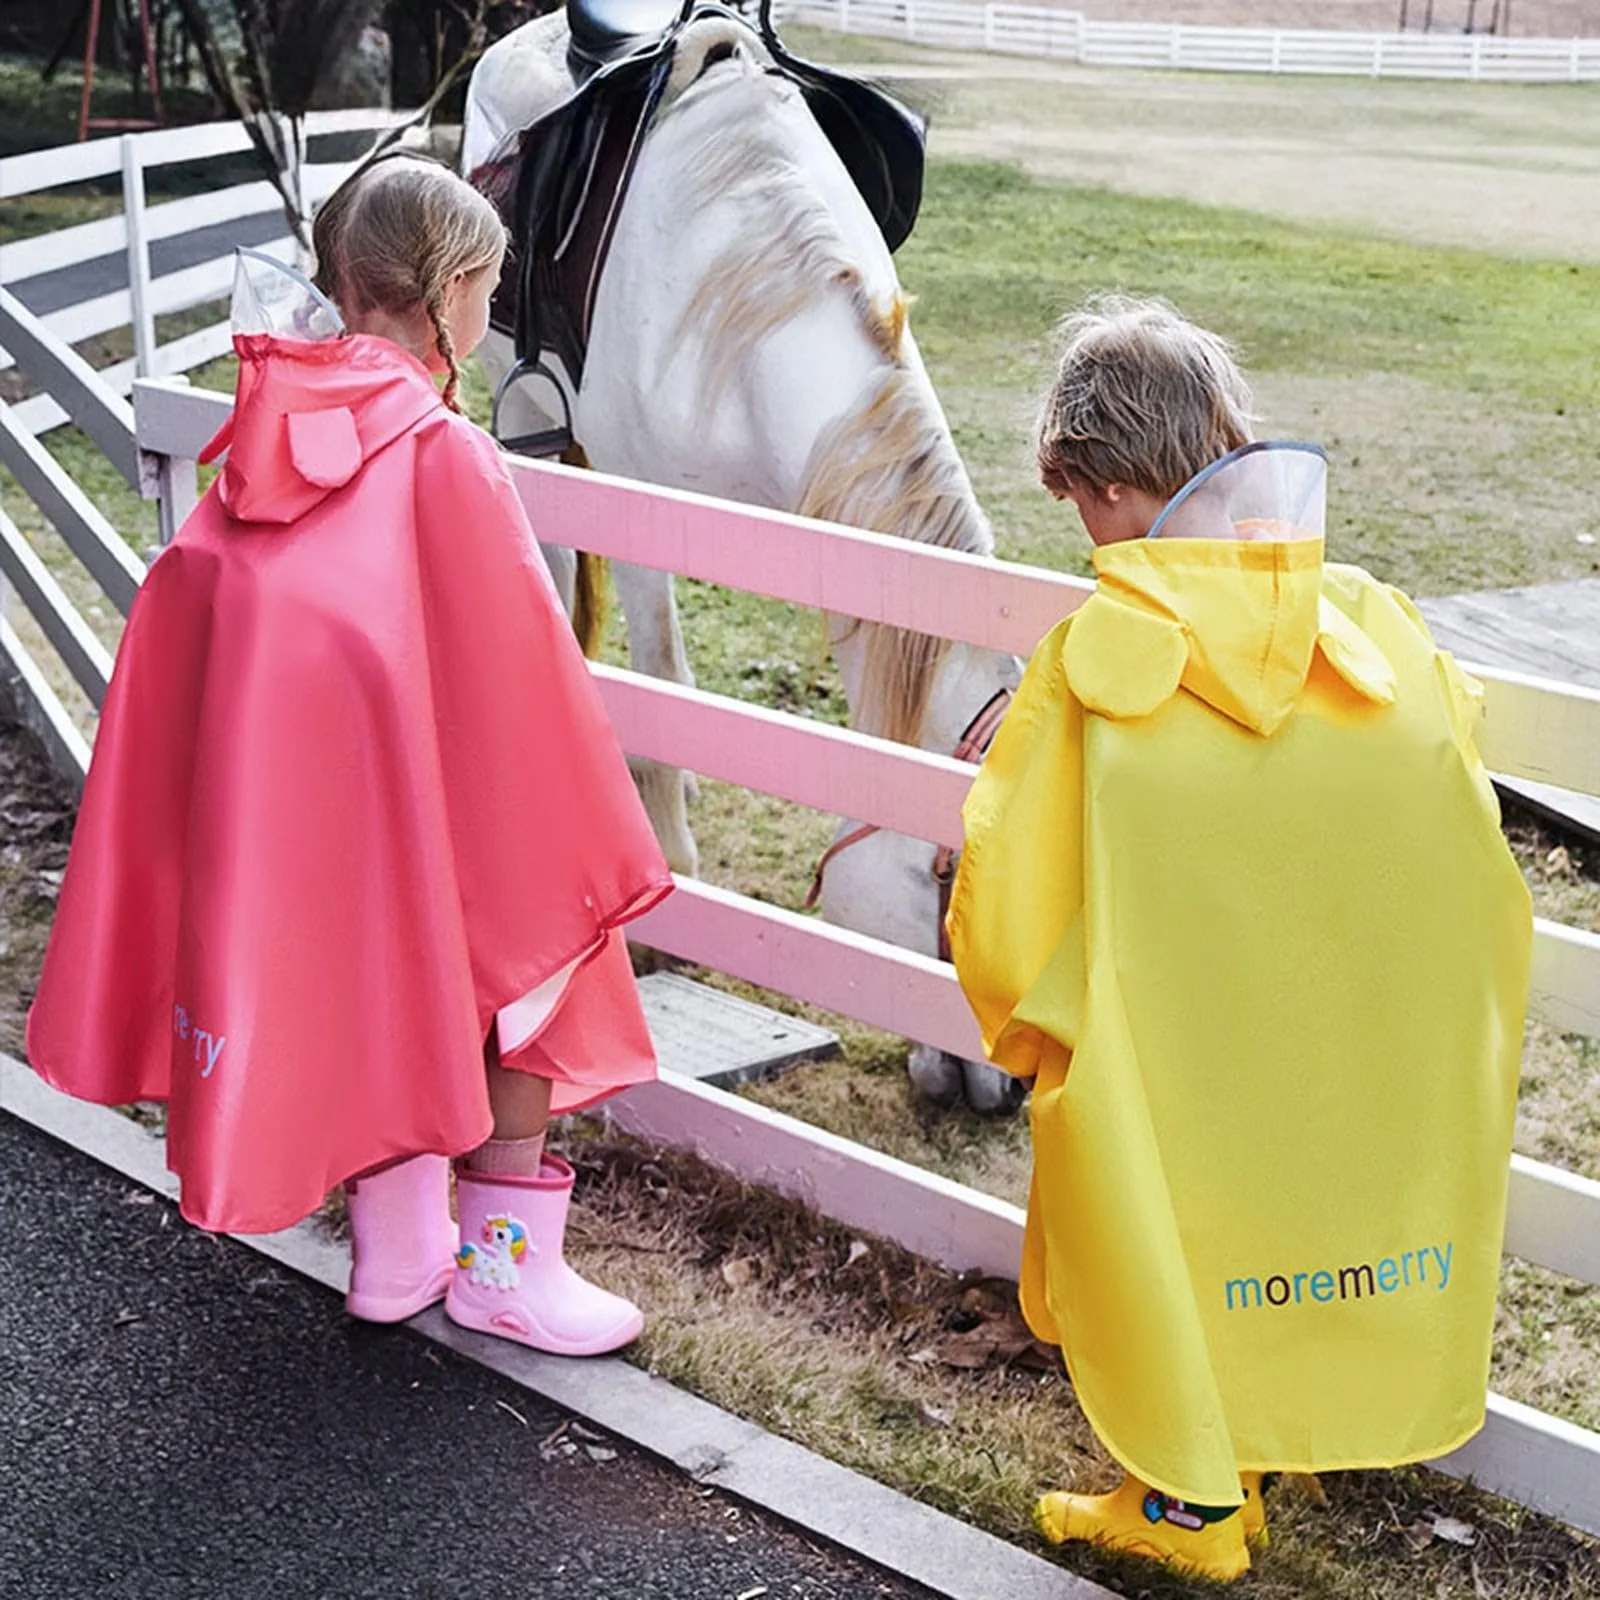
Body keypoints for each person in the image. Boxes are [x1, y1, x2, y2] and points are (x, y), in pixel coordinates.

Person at [27, 152, 674, 1358]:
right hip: (426, 800)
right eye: (486, 288)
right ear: (447, 294)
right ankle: (502, 1269)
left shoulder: (267, 434)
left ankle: (396, 1244)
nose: (491, 314)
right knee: (551, 941)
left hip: (301, 825)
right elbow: (518, 675)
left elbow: (215, 612)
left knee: (385, 981)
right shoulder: (436, 450)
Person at [947, 296, 1532, 1581]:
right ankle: (1268, 1442)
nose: (1086, 538)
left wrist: (1026, 1022)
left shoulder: (1090, 661)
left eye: (1081, 503)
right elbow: (1458, 791)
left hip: (1168, 1041)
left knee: (1163, 1230)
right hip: (1343, 1023)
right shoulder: (1368, 622)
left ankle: (1187, 1506)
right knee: (1286, 1218)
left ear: (1109, 483)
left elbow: (1006, 891)